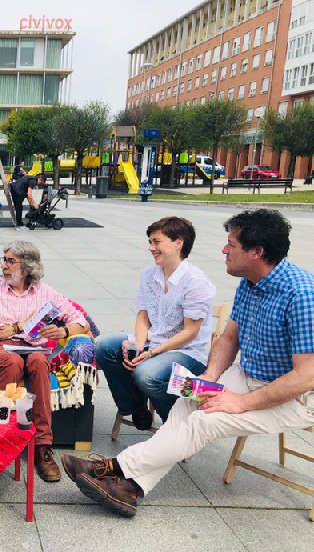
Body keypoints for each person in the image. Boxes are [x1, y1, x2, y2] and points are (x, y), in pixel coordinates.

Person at [63, 209, 314, 518]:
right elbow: (229, 339)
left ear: (256, 252)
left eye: (231, 244)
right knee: (186, 404)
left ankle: (112, 467)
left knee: (203, 421)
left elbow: (306, 376)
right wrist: (208, 381)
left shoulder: (301, 293)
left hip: (293, 395)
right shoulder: (251, 282)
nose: (223, 250)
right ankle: (130, 490)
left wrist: (241, 402)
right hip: (248, 374)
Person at [0, 240, 89, 482]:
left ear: (27, 267)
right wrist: (18, 326)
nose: (3, 266)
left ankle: (42, 446)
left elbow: (82, 321)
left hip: (32, 349)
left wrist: (64, 332)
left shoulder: (45, 292)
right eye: (3, 260)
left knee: (38, 361)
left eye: (10, 261)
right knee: (13, 362)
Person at [95, 217, 216, 429]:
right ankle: (135, 407)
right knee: (104, 347)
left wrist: (151, 353)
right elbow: (143, 315)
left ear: (178, 242)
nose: (151, 248)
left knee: (146, 374)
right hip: (154, 342)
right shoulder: (148, 275)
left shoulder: (196, 282)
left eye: (156, 242)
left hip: (188, 352)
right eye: (150, 242)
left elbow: (190, 332)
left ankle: (175, 423)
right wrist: (139, 345)